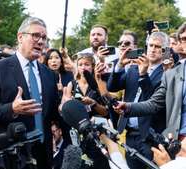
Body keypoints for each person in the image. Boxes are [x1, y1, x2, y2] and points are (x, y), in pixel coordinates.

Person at [0, 17, 59, 169]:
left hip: (43, 153)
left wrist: (64, 106)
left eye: (44, 38)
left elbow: (52, 113)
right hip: (11, 154)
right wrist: (12, 109)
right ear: (20, 37)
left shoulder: (49, 74)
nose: (41, 41)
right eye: (35, 35)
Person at [114, 22, 186, 141]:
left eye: (157, 47)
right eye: (183, 39)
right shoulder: (176, 71)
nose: (152, 50)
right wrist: (127, 107)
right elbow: (155, 103)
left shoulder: (168, 70)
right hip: (178, 139)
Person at [108, 31, 168, 169]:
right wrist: (119, 67)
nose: (153, 49)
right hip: (129, 133)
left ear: (164, 51)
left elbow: (152, 101)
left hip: (150, 135)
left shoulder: (167, 73)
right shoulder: (133, 68)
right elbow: (112, 86)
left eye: (158, 46)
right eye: (151, 45)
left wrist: (144, 74)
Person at [63, 53, 110, 169]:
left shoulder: (98, 84)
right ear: (77, 67)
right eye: (80, 64)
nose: (83, 67)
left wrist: (93, 103)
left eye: (87, 64)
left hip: (97, 132)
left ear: (92, 66)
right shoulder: (72, 84)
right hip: (78, 132)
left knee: (100, 163)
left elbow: (106, 112)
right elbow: (66, 108)